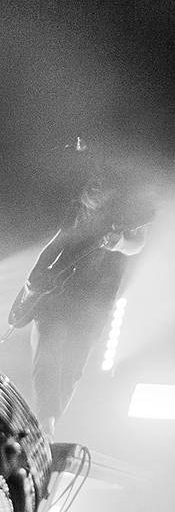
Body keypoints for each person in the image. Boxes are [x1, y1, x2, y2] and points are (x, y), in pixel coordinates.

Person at [8, 166, 150, 437]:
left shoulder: (131, 210)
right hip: (57, 294)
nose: (95, 191)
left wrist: (119, 242)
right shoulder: (79, 210)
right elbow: (56, 243)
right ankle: (45, 422)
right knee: (47, 351)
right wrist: (33, 282)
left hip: (94, 302)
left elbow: (137, 243)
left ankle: (47, 424)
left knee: (73, 365)